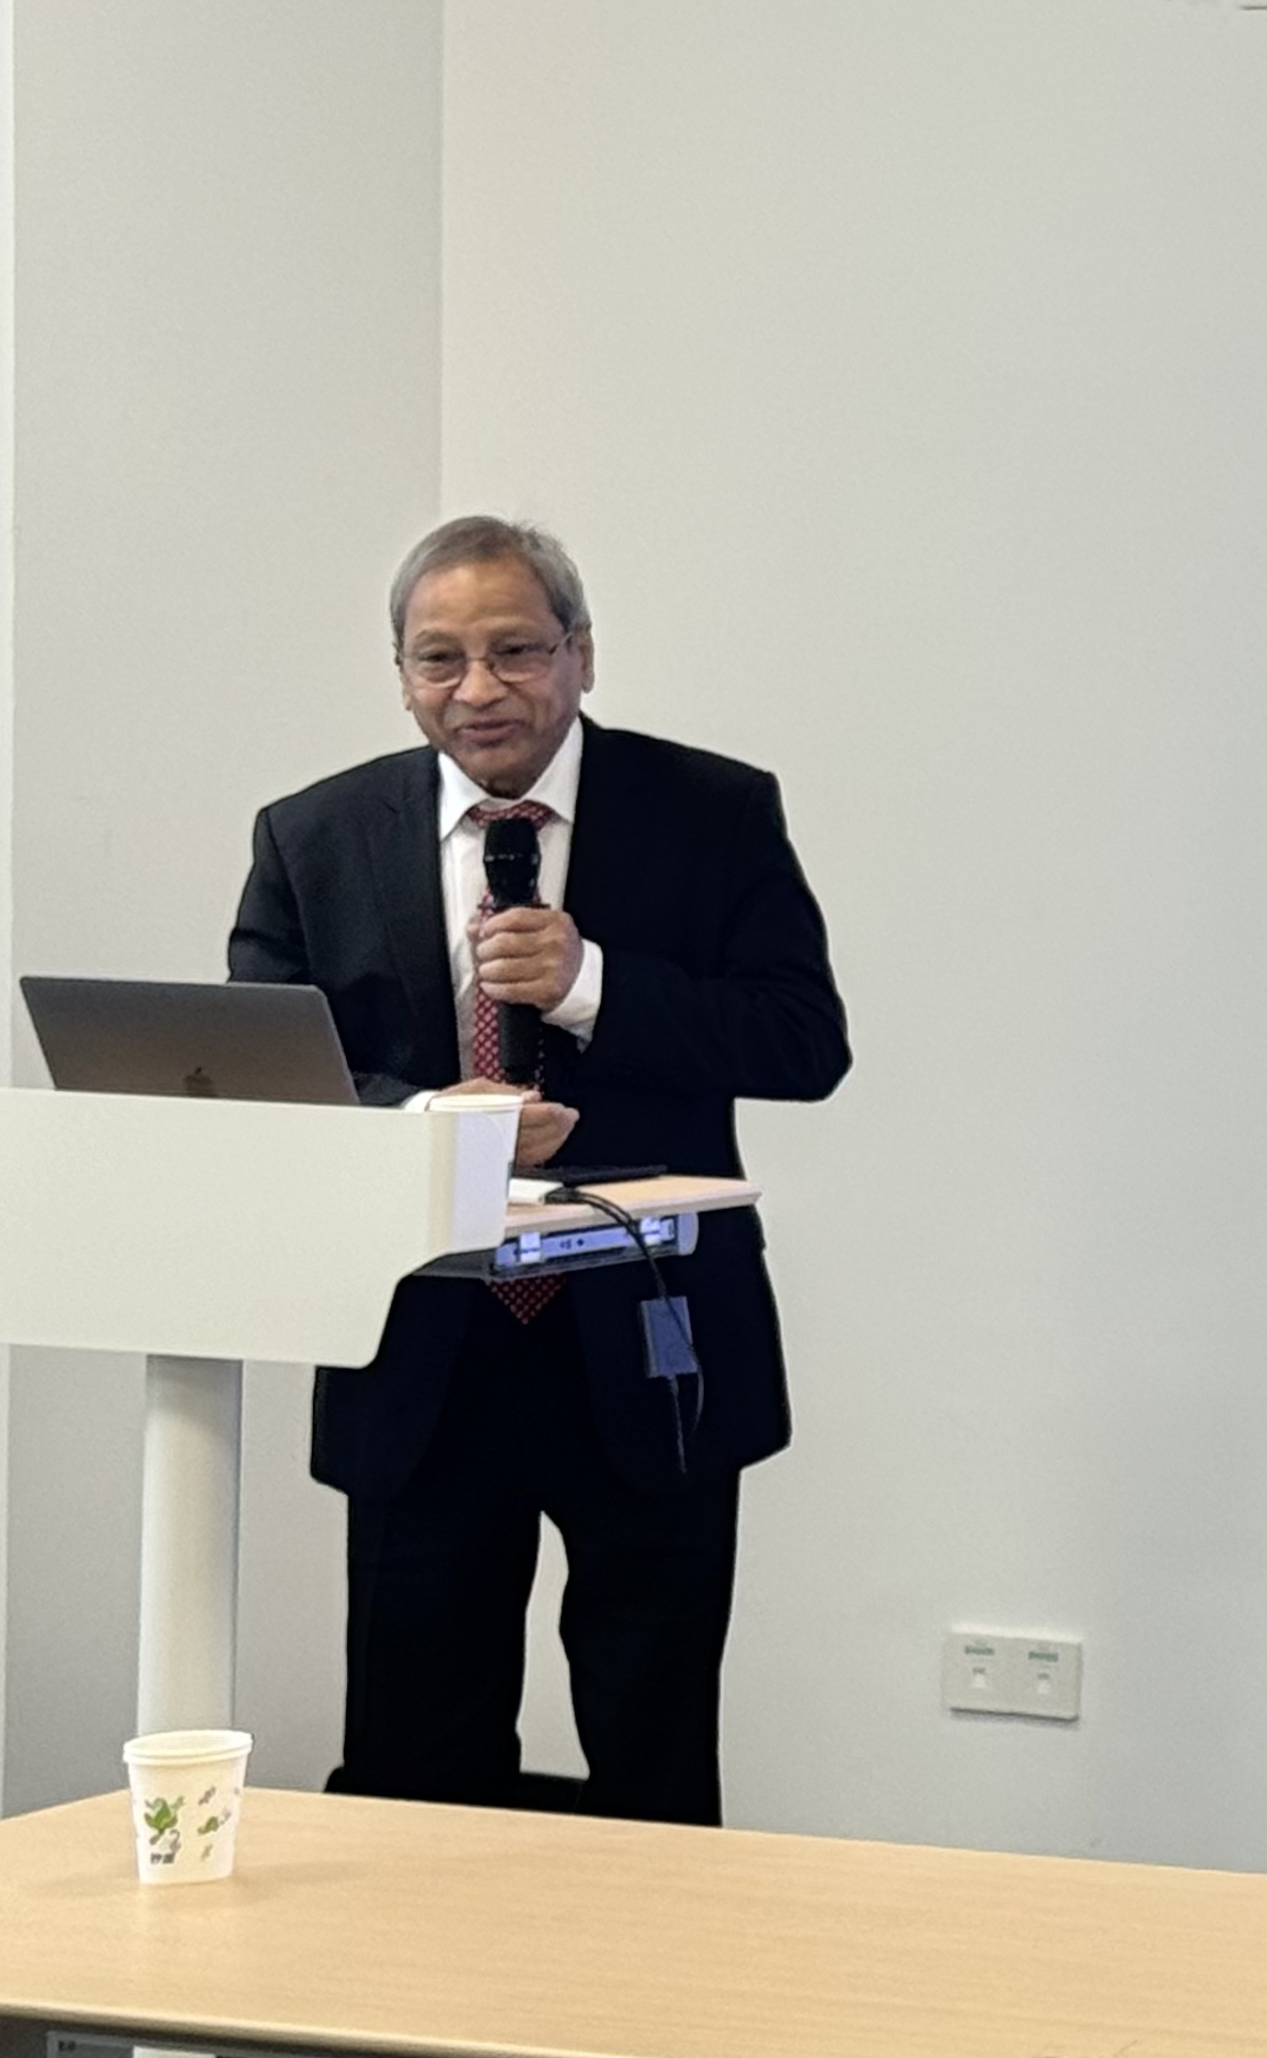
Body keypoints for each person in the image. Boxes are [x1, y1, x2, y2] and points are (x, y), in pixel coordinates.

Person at [228, 516, 849, 1823]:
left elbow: (805, 1043)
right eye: (439, 658)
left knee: (654, 1758)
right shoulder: (312, 836)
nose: (478, 688)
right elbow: (273, 1078)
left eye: (515, 650)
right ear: (401, 674)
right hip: (425, 1356)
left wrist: (591, 986)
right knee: (410, 1769)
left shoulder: (714, 813)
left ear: (581, 655)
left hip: (650, 1343)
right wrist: (428, 1120)